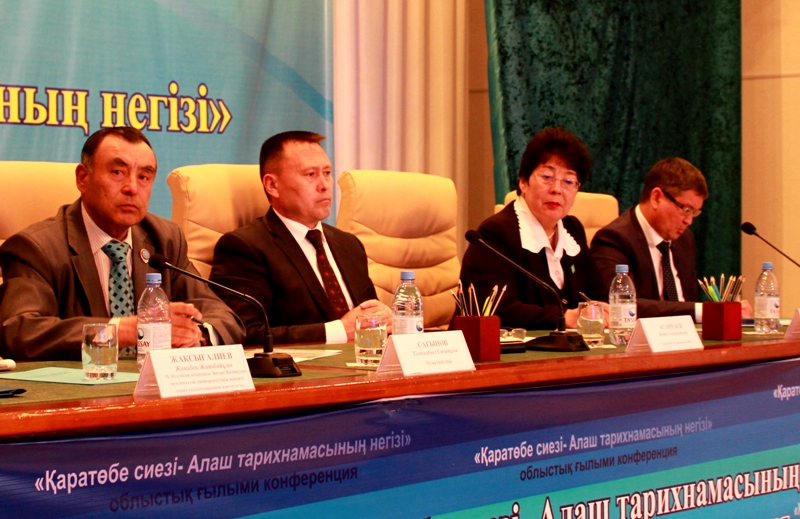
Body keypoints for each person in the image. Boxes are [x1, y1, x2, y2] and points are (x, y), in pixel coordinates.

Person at [0, 127, 245, 361]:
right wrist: (122, 331)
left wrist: (197, 336)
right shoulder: (37, 247)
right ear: (83, 178)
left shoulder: (164, 239)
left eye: (144, 177)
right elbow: (20, 331)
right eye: (117, 172)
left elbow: (222, 315)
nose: (132, 188)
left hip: (152, 383)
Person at [209, 131, 390, 345]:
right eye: (310, 175)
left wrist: (386, 319)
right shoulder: (244, 248)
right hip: (303, 365)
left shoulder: (349, 244)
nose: (324, 185)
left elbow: (367, 315)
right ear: (272, 185)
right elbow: (245, 333)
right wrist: (339, 331)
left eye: (327, 173)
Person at [460, 127, 606, 330]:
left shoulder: (572, 230)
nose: (557, 189)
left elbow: (597, 296)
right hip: (500, 348)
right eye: (547, 177)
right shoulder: (495, 235)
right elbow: (496, 310)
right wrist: (565, 317)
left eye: (568, 181)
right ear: (523, 182)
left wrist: (605, 311)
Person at [591, 157, 750, 320]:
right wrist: (705, 310)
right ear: (656, 198)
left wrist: (722, 310)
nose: (689, 221)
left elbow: (686, 302)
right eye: (686, 209)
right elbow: (623, 306)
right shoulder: (614, 239)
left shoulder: (685, 240)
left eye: (694, 212)